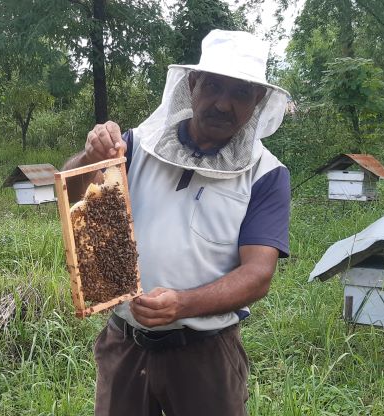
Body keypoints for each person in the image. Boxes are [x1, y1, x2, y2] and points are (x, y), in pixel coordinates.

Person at [63, 30, 292, 415]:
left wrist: (184, 304)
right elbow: (72, 197)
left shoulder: (266, 174)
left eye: (240, 94)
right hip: (125, 346)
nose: (223, 104)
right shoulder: (137, 145)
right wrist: (90, 157)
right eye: (214, 86)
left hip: (206, 354)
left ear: (257, 101)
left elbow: (258, 273)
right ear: (192, 84)